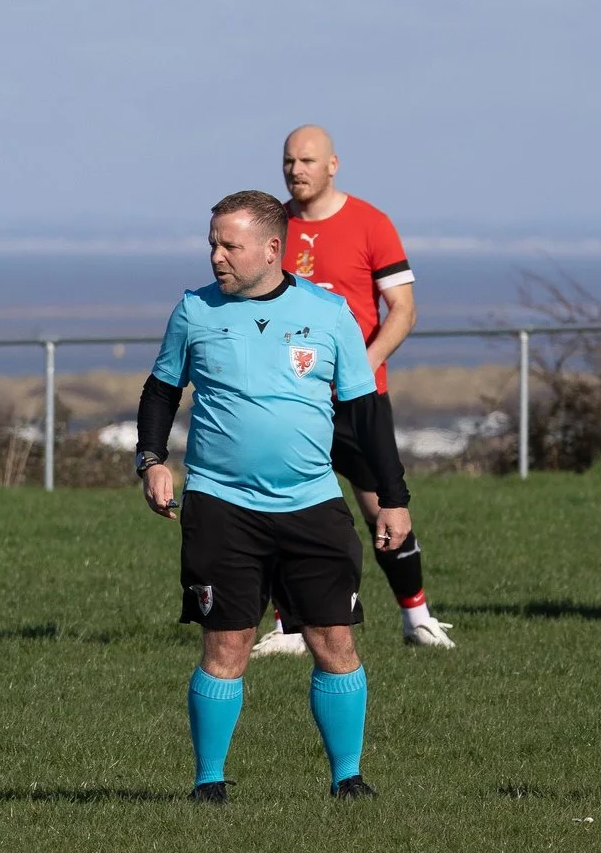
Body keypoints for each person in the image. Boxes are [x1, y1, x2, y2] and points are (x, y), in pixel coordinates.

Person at [136, 191, 412, 803]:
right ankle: (209, 783)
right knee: (226, 644)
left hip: (312, 504)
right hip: (220, 504)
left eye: (229, 245)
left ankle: (348, 778)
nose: (216, 256)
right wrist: (152, 461)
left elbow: (367, 416)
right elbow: (159, 392)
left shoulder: (330, 312)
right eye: (211, 243)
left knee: (333, 641)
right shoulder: (193, 312)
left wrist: (393, 499)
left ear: (270, 249)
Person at [253, 124, 456, 653]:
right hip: (291, 401)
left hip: (357, 401)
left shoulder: (371, 223)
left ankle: (417, 619)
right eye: (289, 161)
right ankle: (288, 627)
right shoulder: (270, 226)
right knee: (280, 507)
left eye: (307, 161)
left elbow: (404, 311)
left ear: (333, 165)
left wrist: (359, 369)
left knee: (381, 508)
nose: (296, 170)